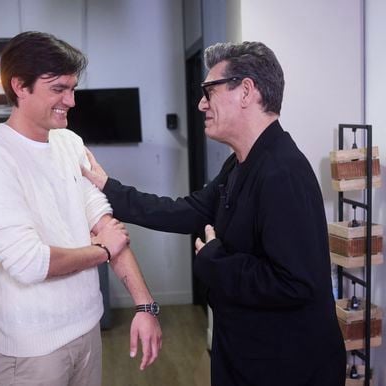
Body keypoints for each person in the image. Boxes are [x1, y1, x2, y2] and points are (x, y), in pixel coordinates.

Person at [82, 41, 346, 385]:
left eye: (209, 91)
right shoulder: (239, 164)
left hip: (285, 366)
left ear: (246, 91)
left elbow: (294, 283)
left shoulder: (283, 172)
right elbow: (186, 211)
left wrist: (214, 258)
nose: (201, 103)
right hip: (247, 355)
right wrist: (107, 188)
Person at [0, 31, 162, 386]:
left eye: (72, 89)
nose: (70, 101)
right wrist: (100, 251)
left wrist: (145, 306)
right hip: (33, 351)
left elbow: (106, 225)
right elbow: (29, 262)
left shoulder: (70, 143)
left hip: (87, 329)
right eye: (58, 89)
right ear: (20, 87)